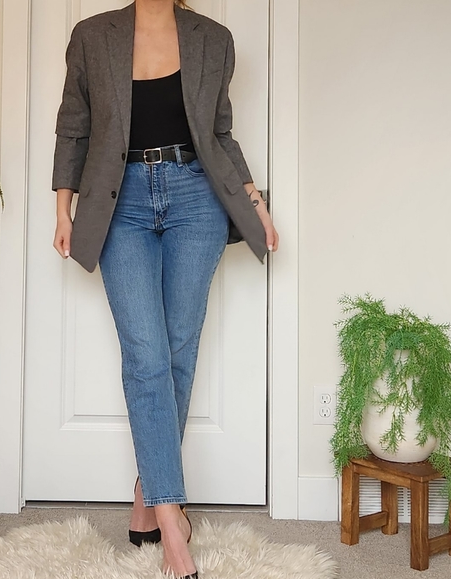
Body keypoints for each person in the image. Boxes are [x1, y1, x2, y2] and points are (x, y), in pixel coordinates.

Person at [51, 0, 279, 576]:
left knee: (178, 351)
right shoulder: (92, 35)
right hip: (118, 202)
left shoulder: (214, 38)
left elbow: (220, 133)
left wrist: (255, 204)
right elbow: (73, 126)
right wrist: (62, 210)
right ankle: (173, 523)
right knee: (145, 355)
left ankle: (147, 493)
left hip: (196, 200)